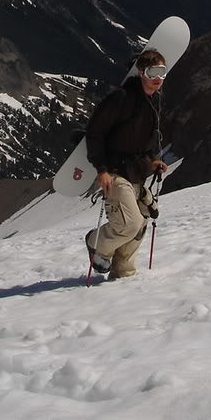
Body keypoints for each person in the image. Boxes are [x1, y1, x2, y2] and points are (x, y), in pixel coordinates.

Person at [84, 48, 169, 279]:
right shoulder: (122, 98)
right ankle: (95, 241)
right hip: (115, 171)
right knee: (130, 223)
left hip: (138, 173)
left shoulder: (153, 101)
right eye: (152, 72)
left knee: (140, 225)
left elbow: (147, 137)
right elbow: (94, 133)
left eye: (162, 71)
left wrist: (154, 161)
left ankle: (123, 274)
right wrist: (102, 170)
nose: (157, 78)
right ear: (141, 72)